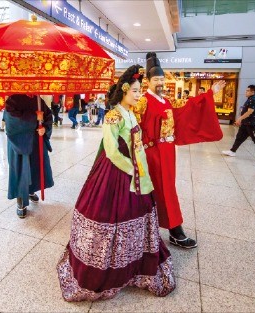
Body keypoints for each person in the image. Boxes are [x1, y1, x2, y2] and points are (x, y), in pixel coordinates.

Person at [56, 65, 175, 301]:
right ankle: (108, 268)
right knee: (111, 215)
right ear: (123, 91)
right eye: (135, 90)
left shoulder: (132, 113)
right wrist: (133, 171)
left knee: (138, 215)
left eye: (140, 90)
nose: (139, 94)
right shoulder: (114, 115)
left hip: (136, 172)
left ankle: (135, 264)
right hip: (118, 173)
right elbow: (111, 151)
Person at [138, 52, 224, 249]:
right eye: (156, 79)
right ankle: (174, 230)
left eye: (161, 79)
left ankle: (162, 229)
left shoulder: (166, 100)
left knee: (166, 189)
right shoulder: (142, 101)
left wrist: (210, 93)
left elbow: (189, 106)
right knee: (157, 191)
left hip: (167, 152)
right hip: (151, 153)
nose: (159, 82)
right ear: (148, 82)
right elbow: (132, 126)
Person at [5, 94, 54, 218]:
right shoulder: (13, 99)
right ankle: (21, 200)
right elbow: (11, 120)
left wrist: (45, 128)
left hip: (36, 141)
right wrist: (33, 117)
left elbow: (48, 115)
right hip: (20, 141)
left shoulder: (37, 99)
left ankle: (31, 189)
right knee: (21, 170)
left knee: (34, 168)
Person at [222, 84, 255, 163]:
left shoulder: (253, 100)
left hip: (251, 124)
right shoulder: (249, 99)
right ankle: (232, 151)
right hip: (245, 124)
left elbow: (250, 112)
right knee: (239, 137)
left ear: (253, 92)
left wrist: (239, 119)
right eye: (246, 90)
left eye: (248, 91)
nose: (246, 92)